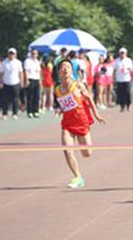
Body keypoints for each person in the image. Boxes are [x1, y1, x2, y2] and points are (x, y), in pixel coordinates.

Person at [54, 59, 105, 188]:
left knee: (87, 153)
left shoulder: (78, 85)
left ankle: (79, 172)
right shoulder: (57, 89)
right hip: (67, 123)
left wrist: (96, 115)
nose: (65, 69)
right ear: (59, 72)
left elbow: (88, 99)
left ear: (72, 71)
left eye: (68, 67)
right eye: (63, 67)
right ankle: (77, 177)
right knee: (67, 149)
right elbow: (64, 104)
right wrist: (59, 110)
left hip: (81, 121)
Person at [0, 48, 23, 120]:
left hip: (15, 82)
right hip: (6, 83)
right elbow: (1, 73)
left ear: (15, 55)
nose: (11, 55)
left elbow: (20, 73)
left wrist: (21, 81)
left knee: (15, 99)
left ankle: (15, 113)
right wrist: (1, 82)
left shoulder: (18, 62)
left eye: (12, 54)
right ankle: (4, 113)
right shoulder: (4, 62)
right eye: (10, 53)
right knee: (5, 99)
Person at [113, 48, 133, 112]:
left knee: (127, 92)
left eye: (123, 53)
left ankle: (128, 105)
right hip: (119, 79)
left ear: (126, 53)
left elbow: (131, 69)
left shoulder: (128, 60)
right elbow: (114, 70)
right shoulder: (116, 61)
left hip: (127, 78)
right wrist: (114, 78)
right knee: (120, 93)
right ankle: (122, 106)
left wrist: (127, 70)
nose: (122, 54)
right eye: (121, 53)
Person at [23, 49, 41, 118]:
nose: (34, 55)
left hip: (36, 79)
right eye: (33, 53)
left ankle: (35, 111)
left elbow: (38, 71)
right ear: (31, 54)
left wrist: (40, 81)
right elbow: (26, 71)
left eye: (36, 53)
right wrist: (27, 80)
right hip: (30, 79)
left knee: (36, 97)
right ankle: (29, 111)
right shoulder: (28, 61)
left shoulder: (37, 61)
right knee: (30, 96)